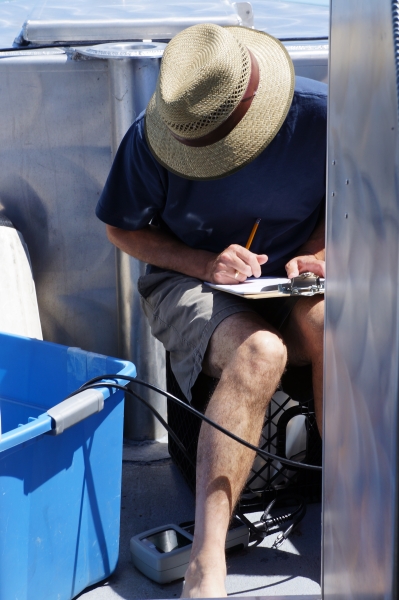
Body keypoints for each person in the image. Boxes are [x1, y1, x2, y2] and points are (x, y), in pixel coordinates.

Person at [96, 22, 326, 598]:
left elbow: (353, 200)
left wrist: (320, 253)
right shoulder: (154, 133)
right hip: (187, 281)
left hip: (295, 285)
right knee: (259, 353)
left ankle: (347, 503)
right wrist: (204, 264)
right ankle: (205, 563)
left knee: (329, 328)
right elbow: (121, 229)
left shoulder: (324, 116)